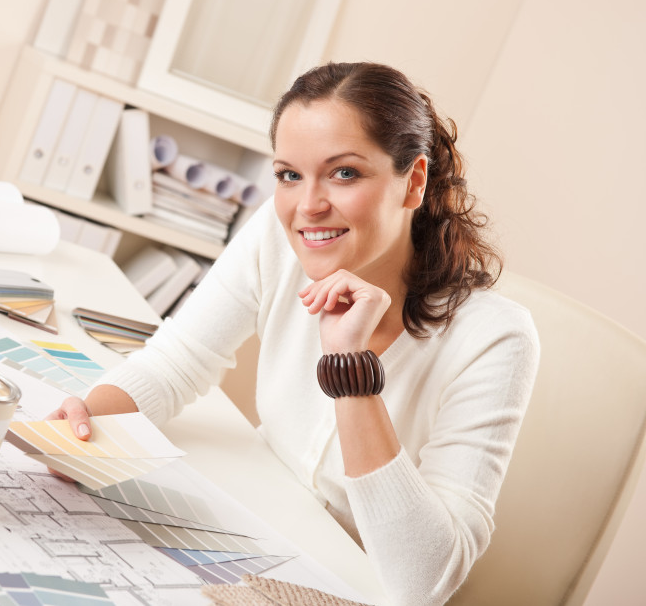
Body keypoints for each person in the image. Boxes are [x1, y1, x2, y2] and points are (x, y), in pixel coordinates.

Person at [48, 62, 539, 605]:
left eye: (345, 173)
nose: (308, 207)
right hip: (249, 539)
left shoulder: (495, 338)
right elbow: (180, 360)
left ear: (413, 182)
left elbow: (424, 581)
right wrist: (90, 421)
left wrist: (350, 372)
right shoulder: (280, 237)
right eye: (288, 175)